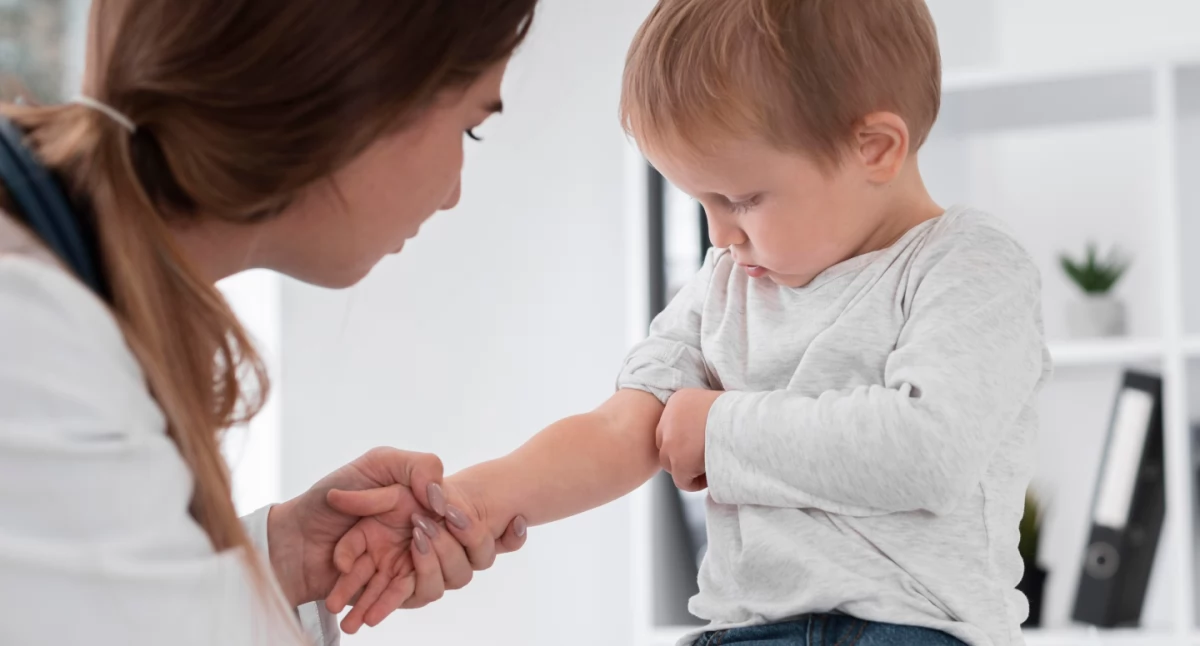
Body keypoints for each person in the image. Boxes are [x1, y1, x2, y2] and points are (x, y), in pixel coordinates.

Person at [332, 1, 1053, 645]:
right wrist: (469, 502)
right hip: (745, 630)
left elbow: (926, 451)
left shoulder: (967, 265)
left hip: (915, 631)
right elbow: (624, 429)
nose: (718, 236)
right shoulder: (727, 285)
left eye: (740, 197)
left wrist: (718, 429)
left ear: (875, 149)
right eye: (699, 202)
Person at [0, 0, 538, 644]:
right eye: (469, 128)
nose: (453, 192)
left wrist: (279, 556)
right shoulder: (34, 345)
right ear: (353, 94)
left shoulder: (58, 301)